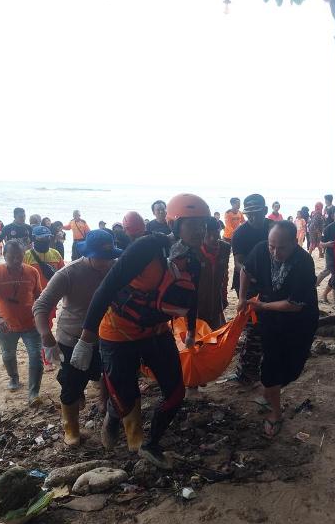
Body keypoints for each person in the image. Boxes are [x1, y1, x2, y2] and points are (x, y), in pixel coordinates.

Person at [70, 194, 208, 468]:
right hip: (117, 334)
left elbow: (191, 298)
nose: (200, 231)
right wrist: (86, 339)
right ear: (176, 223)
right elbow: (106, 288)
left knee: (175, 393)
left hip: (156, 332)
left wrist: (191, 331)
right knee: (126, 400)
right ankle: (112, 414)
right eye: (193, 224)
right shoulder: (147, 248)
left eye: (204, 224)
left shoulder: (193, 260)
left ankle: (151, 444)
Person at [33, 230, 121, 447]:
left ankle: (107, 412)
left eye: (108, 258)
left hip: (108, 336)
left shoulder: (115, 268)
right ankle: (71, 428)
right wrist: (46, 337)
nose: (104, 263)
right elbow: (41, 306)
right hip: (72, 338)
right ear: (89, 254)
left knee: (111, 376)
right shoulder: (68, 274)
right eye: (100, 258)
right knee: (72, 384)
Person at [239, 221, 318, 438]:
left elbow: (295, 304)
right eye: (271, 246)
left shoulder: (304, 262)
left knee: (293, 369)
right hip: (271, 320)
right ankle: (275, 412)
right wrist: (242, 297)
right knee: (272, 369)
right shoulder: (261, 249)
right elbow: (246, 269)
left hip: (299, 321)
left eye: (281, 248)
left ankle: (272, 389)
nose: (275, 252)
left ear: (295, 242)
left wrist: (262, 305)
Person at [0, 240, 43, 404]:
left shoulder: (32, 272)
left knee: (36, 357)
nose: (16, 260)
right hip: (6, 325)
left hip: (31, 324)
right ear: (4, 255)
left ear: (24, 255)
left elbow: (39, 297)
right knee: (8, 355)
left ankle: (33, 393)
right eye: (12, 257)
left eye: (20, 256)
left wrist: (41, 316)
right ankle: (14, 377)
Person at [231, 194, 272, 385]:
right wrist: (251, 272)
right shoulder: (240, 233)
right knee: (254, 330)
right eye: (249, 214)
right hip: (247, 287)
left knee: (269, 328)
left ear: (265, 211)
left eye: (257, 213)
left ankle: (262, 368)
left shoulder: (273, 228)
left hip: (271, 285)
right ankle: (246, 372)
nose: (253, 217)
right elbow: (238, 262)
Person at [197, 217, 231, 329]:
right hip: (197, 304)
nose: (212, 239)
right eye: (208, 235)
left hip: (217, 300)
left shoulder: (225, 248)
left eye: (216, 235)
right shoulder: (194, 250)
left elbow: (225, 275)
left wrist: (224, 295)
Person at [317, 210, 335, 303]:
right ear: (332, 215)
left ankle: (326, 295)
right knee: (333, 275)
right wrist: (327, 244)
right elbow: (320, 243)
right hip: (331, 255)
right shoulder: (328, 228)